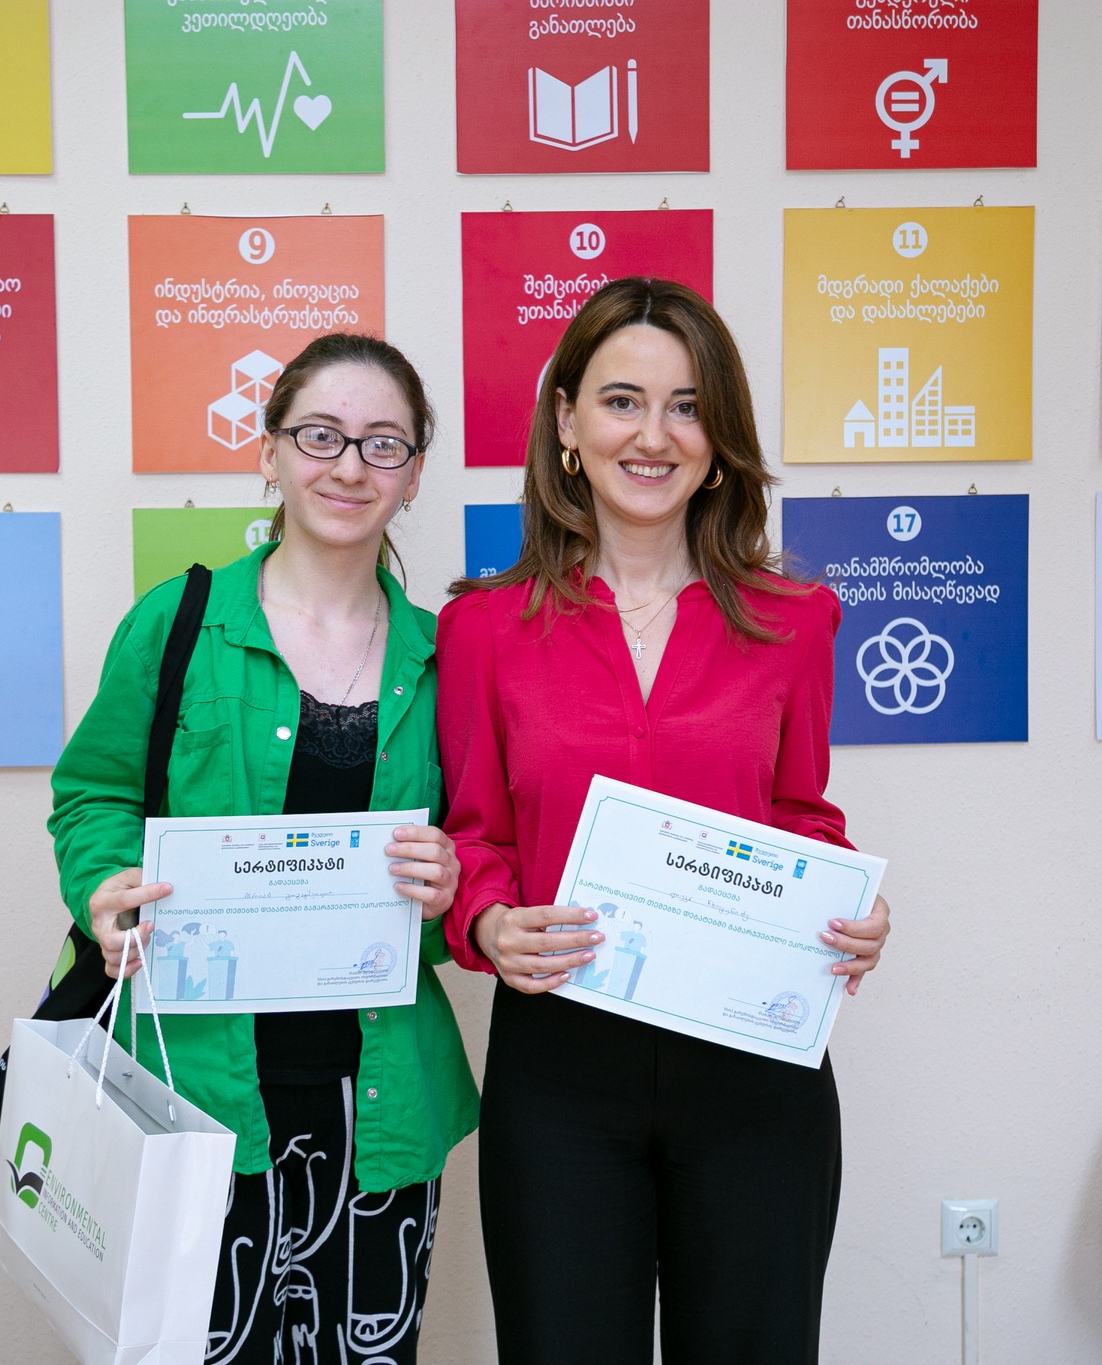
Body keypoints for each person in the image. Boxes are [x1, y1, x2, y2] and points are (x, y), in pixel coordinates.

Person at [437, 277, 892, 1363]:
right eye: (621, 401)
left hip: (753, 1070)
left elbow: (799, 814)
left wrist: (847, 911)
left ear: (719, 436)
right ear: (565, 422)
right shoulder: (483, 627)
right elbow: (475, 835)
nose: (653, 436)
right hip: (561, 1070)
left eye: (686, 406)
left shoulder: (794, 621)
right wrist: (488, 922)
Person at [49, 332, 477, 1364]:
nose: (349, 466)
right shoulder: (179, 623)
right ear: (270, 451)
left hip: (377, 1106)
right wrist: (104, 887)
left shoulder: (448, 658)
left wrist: (455, 881)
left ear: (415, 471)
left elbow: (483, 845)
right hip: (191, 1095)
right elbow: (93, 791)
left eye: (382, 443)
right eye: (320, 435)